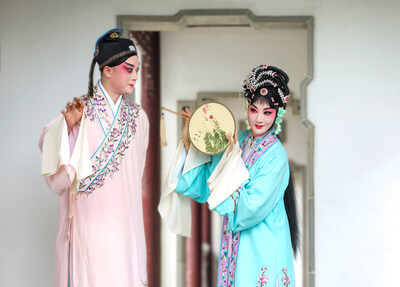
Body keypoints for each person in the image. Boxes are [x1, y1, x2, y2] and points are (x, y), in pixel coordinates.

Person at [162, 65, 299, 286]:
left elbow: (251, 206)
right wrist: (192, 141)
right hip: (235, 243)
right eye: (254, 110)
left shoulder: (276, 156)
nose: (259, 119)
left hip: (261, 244)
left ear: (278, 113)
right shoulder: (239, 139)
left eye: (267, 112)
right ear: (247, 107)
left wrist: (229, 168)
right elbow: (209, 178)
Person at [39, 28, 149, 287]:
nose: (135, 76)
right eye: (128, 69)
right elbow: (48, 142)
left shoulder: (139, 117)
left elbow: (136, 173)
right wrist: (67, 126)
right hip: (89, 226)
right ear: (107, 70)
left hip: (126, 224)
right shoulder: (80, 110)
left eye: (137, 69)